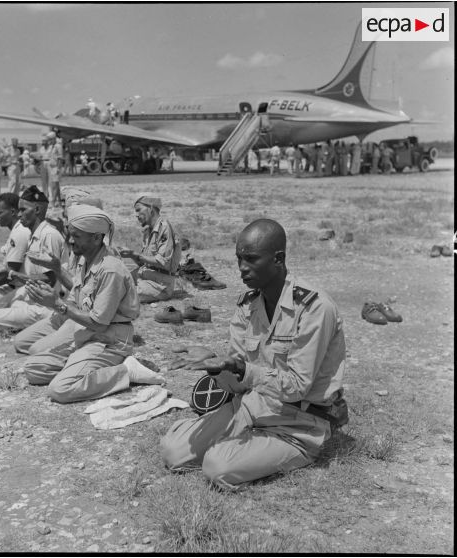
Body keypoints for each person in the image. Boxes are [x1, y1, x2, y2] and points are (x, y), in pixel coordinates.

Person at [160, 218, 347, 490]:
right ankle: (235, 438)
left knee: (217, 466)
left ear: (278, 259)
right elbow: (237, 383)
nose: (241, 268)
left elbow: (296, 387)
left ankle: (294, 450)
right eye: (238, 259)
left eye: (251, 259)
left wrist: (241, 369)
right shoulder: (248, 305)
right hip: (252, 406)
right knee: (173, 452)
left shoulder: (314, 309)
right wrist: (215, 366)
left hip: (298, 423)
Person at [20, 203, 165, 403]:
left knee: (60, 390)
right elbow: (76, 304)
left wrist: (57, 305)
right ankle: (83, 367)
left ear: (96, 238)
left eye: (77, 236)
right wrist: (49, 299)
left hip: (109, 340)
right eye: (70, 234)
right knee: (33, 369)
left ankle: (125, 371)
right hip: (87, 333)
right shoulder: (84, 260)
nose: (70, 241)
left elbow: (99, 322)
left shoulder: (110, 270)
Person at [0, 186, 65, 333]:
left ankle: (40, 325)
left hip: (47, 306)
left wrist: (11, 274)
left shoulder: (49, 235)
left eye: (23, 210)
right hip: (30, 294)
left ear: (37, 210)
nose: (18, 215)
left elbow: (49, 280)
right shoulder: (34, 235)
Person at [123, 193, 181, 303]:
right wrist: (131, 255)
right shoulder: (148, 231)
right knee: (115, 280)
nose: (136, 215)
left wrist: (136, 255)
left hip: (160, 284)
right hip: (146, 276)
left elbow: (161, 262)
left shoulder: (164, 227)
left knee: (120, 294)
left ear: (150, 208)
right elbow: (145, 263)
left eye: (138, 210)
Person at [46, 132, 63, 206]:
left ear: (53, 139)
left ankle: (53, 201)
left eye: (50, 139)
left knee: (55, 185)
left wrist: (58, 168)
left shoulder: (58, 146)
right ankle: (59, 201)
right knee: (56, 185)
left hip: (56, 167)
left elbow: (60, 158)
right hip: (51, 167)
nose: (49, 141)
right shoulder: (51, 146)